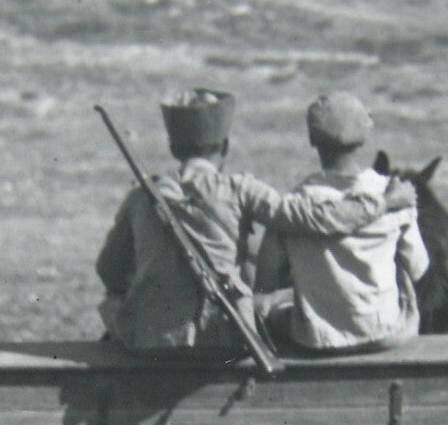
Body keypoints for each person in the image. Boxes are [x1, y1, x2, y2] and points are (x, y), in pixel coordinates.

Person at [95, 88, 415, 353]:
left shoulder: (141, 196)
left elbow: (107, 270)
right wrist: (384, 202)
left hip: (152, 342)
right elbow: (320, 218)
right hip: (226, 339)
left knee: (113, 302)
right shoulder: (241, 190)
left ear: (173, 147)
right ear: (225, 146)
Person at [255, 92, 429, 353]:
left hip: (317, 340)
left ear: (313, 140)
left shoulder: (294, 205)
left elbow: (265, 282)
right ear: (363, 136)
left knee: (277, 311)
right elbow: (417, 268)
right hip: (388, 333)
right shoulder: (393, 194)